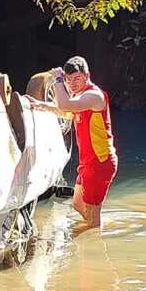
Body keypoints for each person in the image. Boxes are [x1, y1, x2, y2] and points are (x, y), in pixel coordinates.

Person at [50, 56, 117, 229]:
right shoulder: (79, 98)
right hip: (88, 163)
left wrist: (57, 79)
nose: (72, 83)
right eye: (68, 79)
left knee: (92, 216)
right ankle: (90, 234)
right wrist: (37, 105)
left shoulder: (94, 96)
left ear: (87, 75)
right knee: (78, 204)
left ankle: (93, 247)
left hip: (100, 162)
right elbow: (65, 111)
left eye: (77, 78)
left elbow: (65, 105)